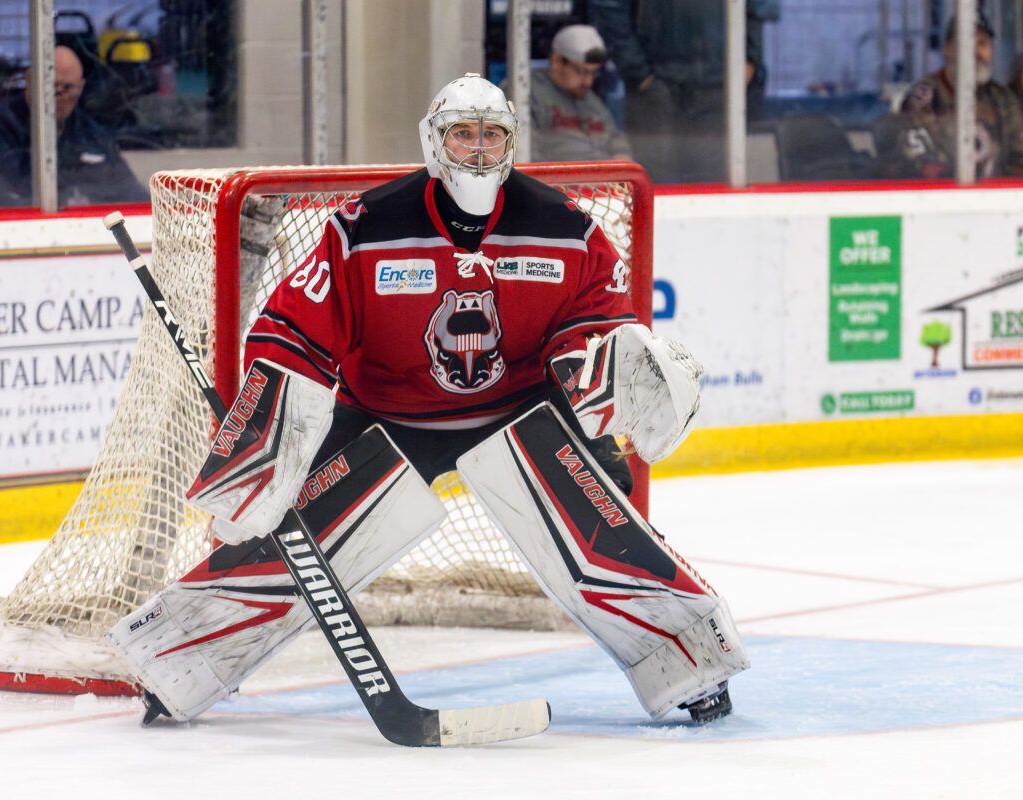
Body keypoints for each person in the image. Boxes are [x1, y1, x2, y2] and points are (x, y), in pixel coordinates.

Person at [107, 74, 749, 730]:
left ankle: (690, 660)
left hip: (518, 411)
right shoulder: (366, 226)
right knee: (292, 528)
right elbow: (293, 329)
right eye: (462, 134)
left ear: (511, 142)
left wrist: (600, 375)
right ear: (433, 141)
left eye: (491, 135)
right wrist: (258, 451)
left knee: (600, 518)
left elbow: (595, 319)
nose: (477, 150)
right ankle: (179, 658)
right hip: (386, 412)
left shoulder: (565, 227)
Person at [589, 0, 781, 183]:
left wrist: (750, 60)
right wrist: (639, 74)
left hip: (717, 88)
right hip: (655, 90)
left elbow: (758, 9)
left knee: (713, 185)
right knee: (655, 181)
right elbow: (610, 10)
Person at [0, 45, 147, 208]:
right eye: (49, 87)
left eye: (67, 88)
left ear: (81, 87)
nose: (57, 97)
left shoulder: (90, 133)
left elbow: (131, 193)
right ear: (30, 81)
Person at [877, 13, 1023, 180]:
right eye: (966, 42)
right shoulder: (923, 97)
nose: (975, 51)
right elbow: (915, 164)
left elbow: (1019, 157)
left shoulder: (1003, 99)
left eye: (982, 44)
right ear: (947, 49)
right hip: (940, 200)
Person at [526, 24, 631, 162]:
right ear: (556, 61)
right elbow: (524, 153)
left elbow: (616, 140)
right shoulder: (526, 91)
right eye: (581, 71)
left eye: (594, 73)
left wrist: (621, 156)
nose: (588, 81)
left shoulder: (591, 100)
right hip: (554, 179)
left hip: (601, 178)